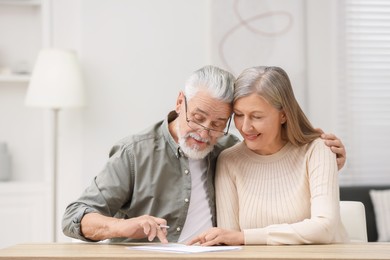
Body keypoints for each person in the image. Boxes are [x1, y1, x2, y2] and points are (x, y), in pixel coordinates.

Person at [62, 65, 346, 244]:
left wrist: (329, 161)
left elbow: (277, 160)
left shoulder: (226, 149)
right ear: (179, 102)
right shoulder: (135, 153)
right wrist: (123, 227)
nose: (204, 132)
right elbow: (74, 216)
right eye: (197, 118)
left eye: (218, 125)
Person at [188, 66, 349, 246]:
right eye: (239, 115)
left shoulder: (318, 149)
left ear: (284, 115)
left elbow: (324, 228)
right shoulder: (229, 160)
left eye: (256, 117)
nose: (245, 127)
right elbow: (229, 242)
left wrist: (244, 237)